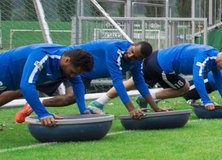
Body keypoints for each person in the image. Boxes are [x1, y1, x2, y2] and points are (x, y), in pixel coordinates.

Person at [13, 39, 155, 123]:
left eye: (135, 56)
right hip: (71, 67)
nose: (130, 55)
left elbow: (140, 82)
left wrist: (155, 108)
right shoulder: (115, 50)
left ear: (140, 59)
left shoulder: (136, 62)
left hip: (84, 75)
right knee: (22, 88)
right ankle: (34, 104)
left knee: (70, 98)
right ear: (133, 44)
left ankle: (33, 105)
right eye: (131, 51)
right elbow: (117, 82)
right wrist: (131, 109)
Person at [110, 45, 222, 109]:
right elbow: (198, 78)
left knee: (133, 82)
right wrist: (206, 101)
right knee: (184, 88)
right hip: (162, 67)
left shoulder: (214, 56)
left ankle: (99, 102)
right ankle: (146, 98)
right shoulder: (205, 57)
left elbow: (219, 80)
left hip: (155, 58)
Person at [0, 45, 93, 126]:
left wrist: (83, 110)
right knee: (26, 89)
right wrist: (43, 114)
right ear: (67, 60)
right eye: (72, 72)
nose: (72, 76)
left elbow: (77, 83)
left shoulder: (67, 61)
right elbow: (26, 86)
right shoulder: (42, 55)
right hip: (3, 71)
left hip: (11, 81)